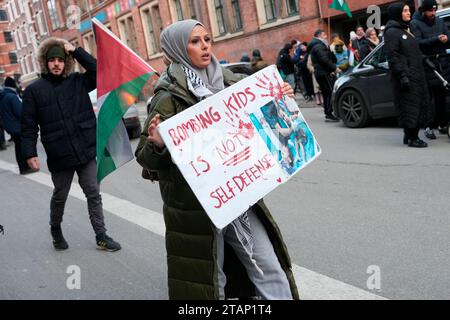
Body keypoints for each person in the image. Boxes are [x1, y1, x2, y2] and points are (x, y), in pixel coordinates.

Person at [135, 19, 299, 300]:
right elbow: (146, 159)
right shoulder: (166, 98)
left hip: (236, 196)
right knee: (212, 280)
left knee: (267, 265)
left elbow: (271, 125)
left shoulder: (233, 83)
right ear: (177, 49)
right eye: (195, 41)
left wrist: (280, 99)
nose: (205, 46)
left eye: (207, 39)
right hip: (195, 208)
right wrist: (159, 145)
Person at [21, 37, 121, 251]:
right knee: (60, 195)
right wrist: (29, 154)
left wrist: (76, 51)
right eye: (52, 60)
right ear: (45, 62)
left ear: (65, 62)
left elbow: (99, 71)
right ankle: (55, 229)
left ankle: (101, 235)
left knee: (93, 192)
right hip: (60, 154)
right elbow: (28, 126)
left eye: (60, 59)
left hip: (85, 149)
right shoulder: (34, 91)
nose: (56, 63)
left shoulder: (78, 81)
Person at [384, 3, 431, 148]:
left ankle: (408, 135)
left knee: (416, 104)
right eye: (404, 11)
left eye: (408, 10)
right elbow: (393, 56)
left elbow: (412, 52)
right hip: (406, 76)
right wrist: (402, 75)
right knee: (410, 106)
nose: (408, 13)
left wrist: (425, 60)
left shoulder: (405, 29)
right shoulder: (392, 32)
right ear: (397, 13)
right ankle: (413, 138)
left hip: (416, 74)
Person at [410, 0, 450, 139]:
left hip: (442, 63)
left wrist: (446, 38)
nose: (433, 13)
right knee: (428, 99)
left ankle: (442, 124)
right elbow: (418, 43)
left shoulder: (439, 21)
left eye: (434, 10)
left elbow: (448, 34)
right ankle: (428, 126)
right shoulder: (415, 23)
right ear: (423, 11)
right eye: (430, 11)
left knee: (441, 97)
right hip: (427, 64)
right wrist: (437, 39)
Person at [0, 77, 37, 174]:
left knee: (18, 147)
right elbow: (20, 111)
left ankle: (23, 167)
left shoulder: (4, 96)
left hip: (11, 126)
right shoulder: (11, 97)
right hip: (17, 126)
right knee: (21, 147)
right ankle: (25, 168)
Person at [308, 29, 341, 121]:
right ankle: (329, 113)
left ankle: (328, 112)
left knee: (327, 93)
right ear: (320, 36)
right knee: (329, 92)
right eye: (324, 35)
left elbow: (329, 58)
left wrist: (329, 51)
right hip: (323, 72)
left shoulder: (320, 45)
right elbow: (324, 60)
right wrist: (334, 68)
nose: (326, 36)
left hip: (322, 72)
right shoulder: (318, 46)